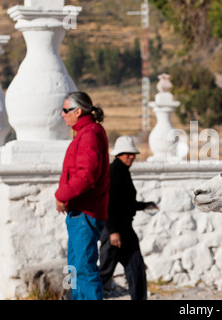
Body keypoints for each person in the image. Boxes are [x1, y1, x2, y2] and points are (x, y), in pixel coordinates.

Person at [55, 91, 109, 300]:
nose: (62, 115)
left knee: (84, 269)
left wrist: (61, 195)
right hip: (79, 213)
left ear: (78, 111)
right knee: (73, 268)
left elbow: (86, 175)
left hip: (86, 213)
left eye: (65, 110)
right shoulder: (84, 133)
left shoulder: (89, 134)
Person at [99, 135, 159, 300]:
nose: (131, 156)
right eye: (127, 153)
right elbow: (109, 203)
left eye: (133, 153)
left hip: (125, 229)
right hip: (115, 231)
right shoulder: (114, 172)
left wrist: (144, 205)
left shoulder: (122, 171)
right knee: (104, 271)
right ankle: (82, 296)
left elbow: (125, 203)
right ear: (118, 154)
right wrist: (113, 231)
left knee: (136, 268)